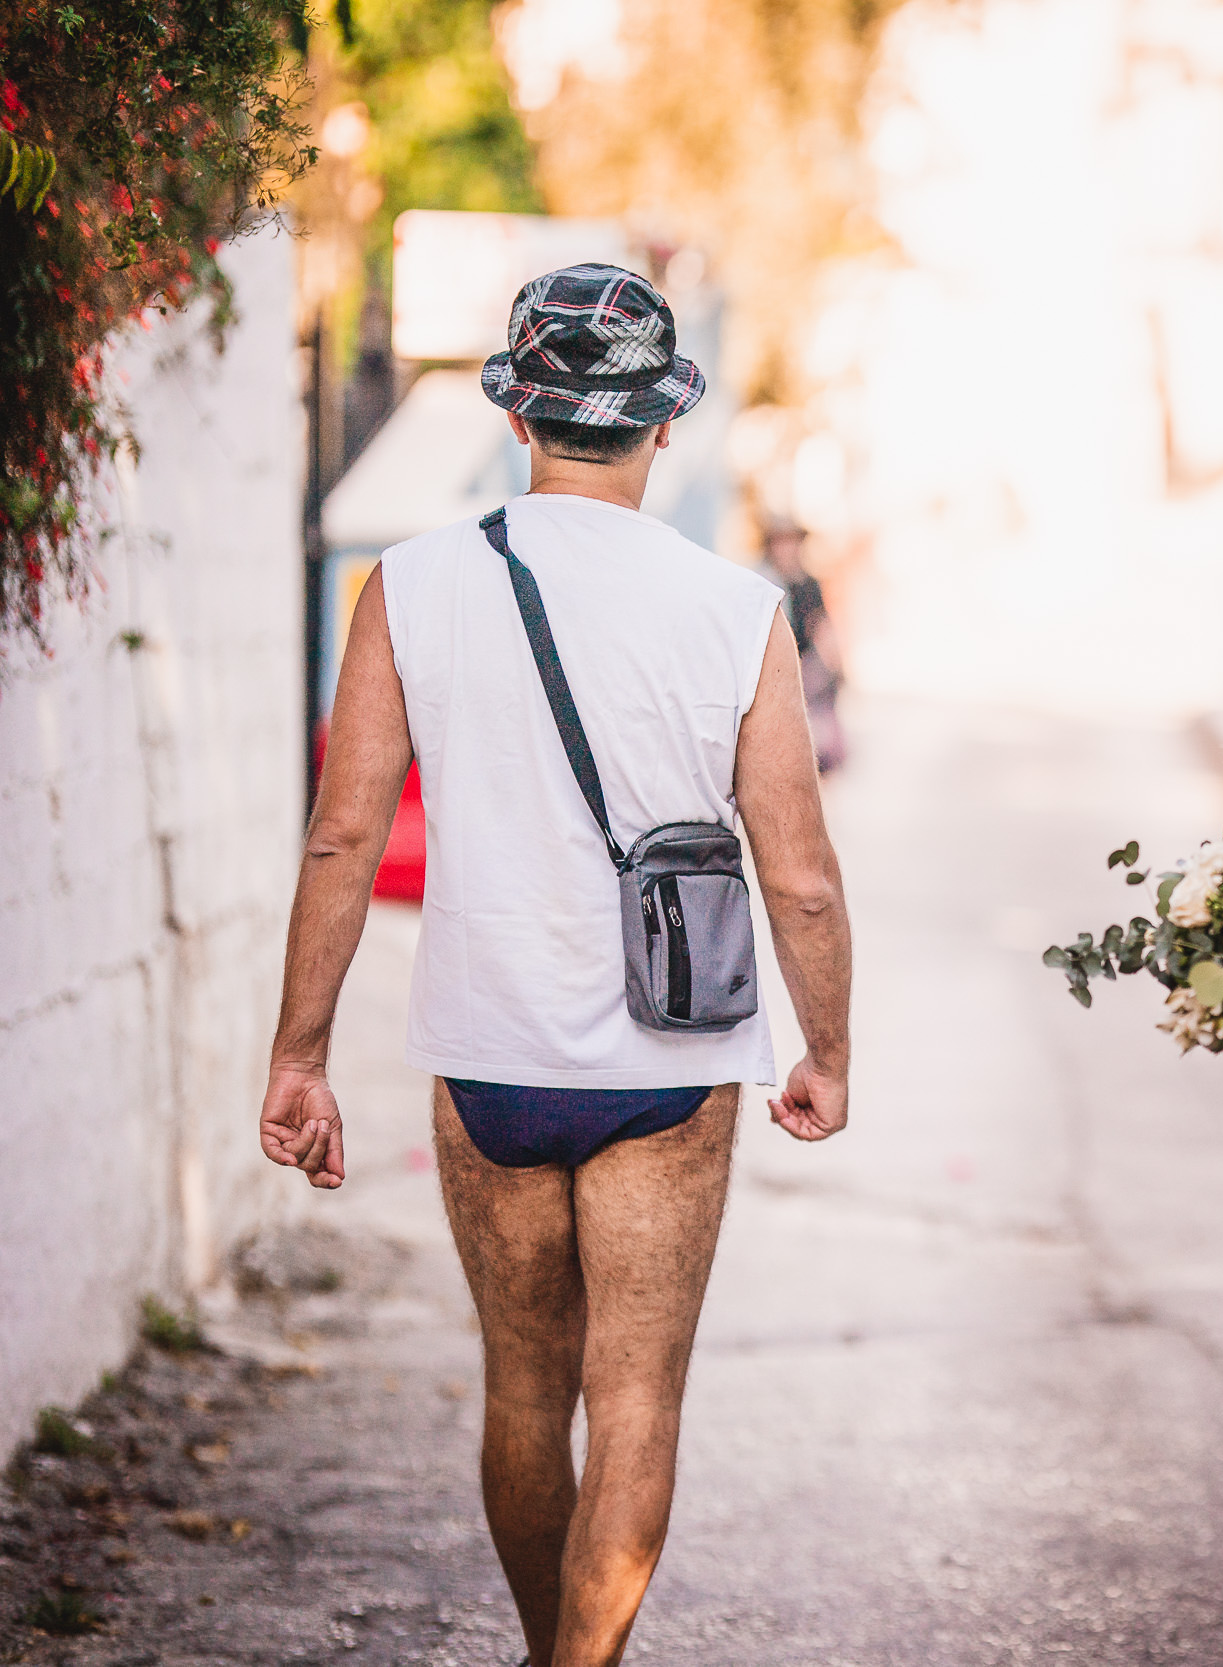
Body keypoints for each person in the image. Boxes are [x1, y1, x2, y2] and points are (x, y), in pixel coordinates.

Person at [257, 263, 855, 1667]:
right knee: (635, 1397)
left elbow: (342, 838)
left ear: (518, 414)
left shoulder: (410, 586)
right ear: (663, 426)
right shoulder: (735, 607)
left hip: (489, 1057)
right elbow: (805, 875)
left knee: (526, 1393)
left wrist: (298, 1054)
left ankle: (543, 1648)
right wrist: (826, 1047)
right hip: (674, 1064)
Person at [758, 520, 847, 773]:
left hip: (805, 671)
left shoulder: (809, 584)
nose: (787, 549)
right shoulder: (763, 581)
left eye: (792, 542)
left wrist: (837, 664)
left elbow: (821, 625)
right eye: (781, 543)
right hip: (774, 672)